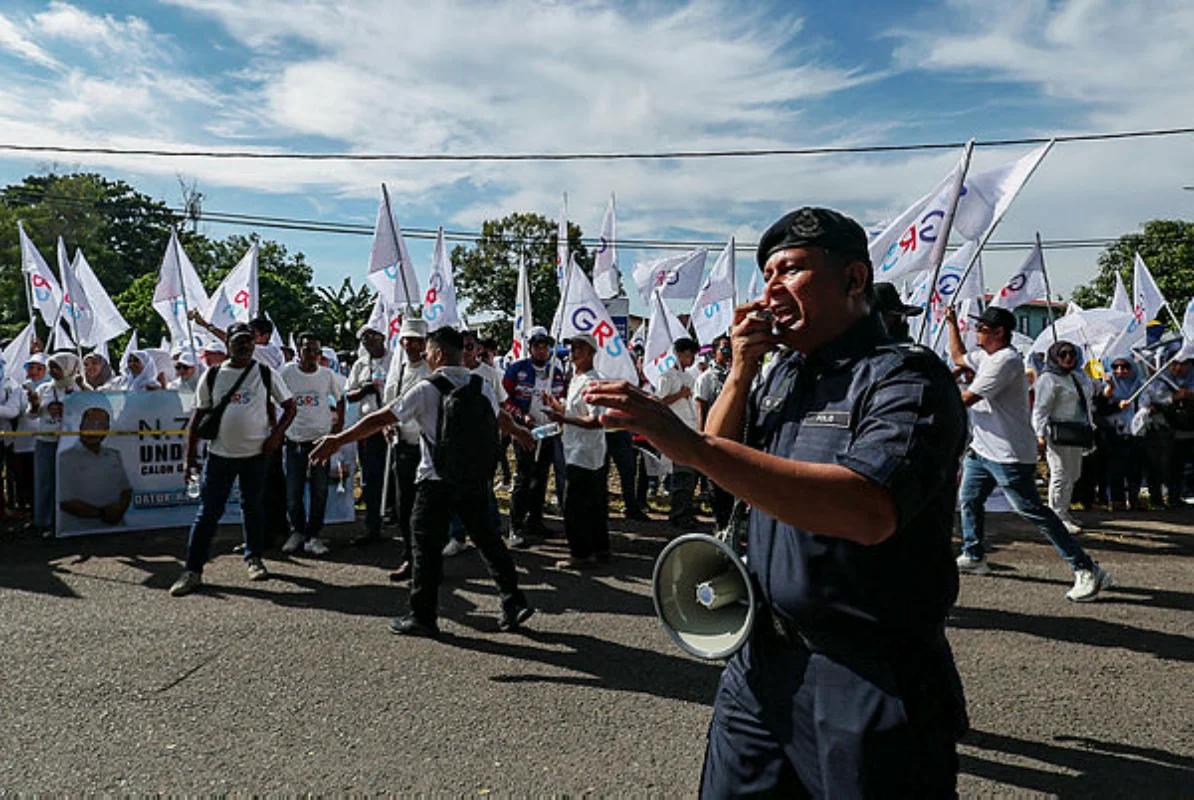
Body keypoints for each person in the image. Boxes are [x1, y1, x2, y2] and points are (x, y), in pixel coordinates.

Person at [584, 207, 969, 796]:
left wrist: (690, 445)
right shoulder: (782, 372)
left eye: (789, 269)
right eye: (766, 275)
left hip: (865, 674)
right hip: (759, 660)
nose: (771, 288)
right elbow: (725, 461)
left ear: (854, 279)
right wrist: (741, 370)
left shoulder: (905, 380)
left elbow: (868, 510)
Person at [311, 327, 534, 638]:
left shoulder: (427, 388)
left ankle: (422, 616)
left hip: (435, 480)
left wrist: (338, 439)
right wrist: (520, 433)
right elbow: (500, 418)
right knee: (489, 541)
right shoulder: (480, 384)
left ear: (439, 354)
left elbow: (380, 419)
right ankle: (514, 601)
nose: (426, 358)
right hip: (473, 479)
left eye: (429, 352)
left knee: (425, 547)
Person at [944, 305, 1110, 601]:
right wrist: (951, 324)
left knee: (1033, 511)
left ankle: (1087, 569)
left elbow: (966, 399)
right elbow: (958, 356)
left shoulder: (1005, 361)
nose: (977, 332)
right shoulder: (987, 356)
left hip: (1008, 453)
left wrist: (932, 390)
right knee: (969, 500)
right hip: (981, 449)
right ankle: (974, 554)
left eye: (981, 328)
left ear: (999, 332)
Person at [170, 322, 296, 596]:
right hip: (220, 456)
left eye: (249, 341)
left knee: (253, 508)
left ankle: (254, 558)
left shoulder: (265, 372)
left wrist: (276, 436)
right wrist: (188, 458)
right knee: (207, 514)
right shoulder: (213, 375)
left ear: (254, 344)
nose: (244, 346)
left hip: (256, 456)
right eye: (239, 341)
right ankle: (192, 570)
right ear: (228, 344)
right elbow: (198, 417)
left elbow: (290, 407)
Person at [545, 334, 609, 568]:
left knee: (575, 505)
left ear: (592, 352)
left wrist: (563, 418)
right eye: (572, 347)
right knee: (591, 503)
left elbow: (596, 419)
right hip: (576, 449)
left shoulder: (594, 381)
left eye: (580, 348)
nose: (574, 351)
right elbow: (574, 411)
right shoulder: (576, 378)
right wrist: (555, 406)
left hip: (585, 452)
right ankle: (599, 549)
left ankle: (581, 553)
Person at [280, 333, 345, 557]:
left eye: (317, 351)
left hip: (320, 441)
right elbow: (274, 398)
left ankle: (313, 536)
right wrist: (277, 427)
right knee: (293, 491)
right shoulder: (286, 373)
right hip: (295, 440)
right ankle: (297, 531)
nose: (313, 355)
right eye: (308, 350)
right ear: (299, 351)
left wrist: (337, 432)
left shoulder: (327, 375)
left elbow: (340, 399)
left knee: (319, 491)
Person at [503, 326, 566, 543]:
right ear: (530, 348)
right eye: (537, 347)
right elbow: (506, 400)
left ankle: (535, 520)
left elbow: (562, 399)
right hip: (524, 432)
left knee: (541, 477)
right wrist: (522, 418)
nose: (542, 351)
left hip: (548, 432)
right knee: (524, 477)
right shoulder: (516, 369)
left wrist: (558, 411)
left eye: (545, 347)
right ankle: (515, 526)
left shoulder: (555, 372)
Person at [382, 318, 431, 577]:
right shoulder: (398, 370)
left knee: (425, 510)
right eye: (407, 340)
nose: (411, 345)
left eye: (416, 340)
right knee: (404, 507)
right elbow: (389, 404)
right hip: (403, 448)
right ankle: (410, 558)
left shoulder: (432, 370)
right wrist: (387, 427)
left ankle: (427, 562)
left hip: (428, 450)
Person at [1030, 340, 1092, 534]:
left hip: (1077, 431)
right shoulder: (1048, 379)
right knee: (1060, 473)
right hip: (1057, 431)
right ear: (1054, 356)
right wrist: (1039, 435)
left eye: (1072, 354)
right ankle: (1057, 515)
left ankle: (1064, 511)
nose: (1067, 358)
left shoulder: (1077, 377)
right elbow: (1041, 409)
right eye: (1062, 354)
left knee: (1074, 474)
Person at [29, 353, 88, 537]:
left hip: (72, 442)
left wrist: (70, 407)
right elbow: (32, 415)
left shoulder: (79, 389)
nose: (53, 371)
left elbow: (91, 410)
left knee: (70, 482)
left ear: (69, 368)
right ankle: (44, 521)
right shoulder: (44, 388)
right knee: (44, 482)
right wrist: (36, 405)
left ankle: (70, 520)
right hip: (46, 440)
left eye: (57, 367)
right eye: (51, 367)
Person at [343, 325, 391, 545]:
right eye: (363, 339)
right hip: (370, 428)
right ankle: (373, 526)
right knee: (371, 477)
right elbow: (349, 395)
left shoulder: (397, 361)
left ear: (382, 336)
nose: (367, 341)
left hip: (394, 426)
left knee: (398, 477)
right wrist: (364, 390)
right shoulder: (361, 365)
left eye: (371, 336)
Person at [57, 405, 133, 531]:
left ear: (107, 430)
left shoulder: (114, 455)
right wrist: (102, 513)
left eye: (100, 425)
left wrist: (119, 510)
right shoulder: (65, 458)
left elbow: (126, 489)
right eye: (89, 424)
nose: (93, 429)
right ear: (80, 426)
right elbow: (65, 501)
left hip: (117, 527)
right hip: (80, 529)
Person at [654, 336, 701, 528]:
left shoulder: (688, 377)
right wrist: (679, 395)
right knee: (681, 475)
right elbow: (659, 403)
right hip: (675, 432)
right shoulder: (667, 376)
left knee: (690, 476)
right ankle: (678, 515)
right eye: (689, 354)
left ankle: (686, 510)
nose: (691, 359)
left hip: (690, 429)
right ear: (680, 354)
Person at [1140, 349, 1194, 508]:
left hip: (1189, 431)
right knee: (1163, 466)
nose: (1178, 369)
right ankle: (1159, 499)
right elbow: (1153, 399)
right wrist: (1172, 398)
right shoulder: (1159, 381)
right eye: (1174, 364)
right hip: (1164, 433)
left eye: (1183, 364)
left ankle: (1176, 498)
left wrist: (1190, 395)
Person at [694, 334, 734, 529]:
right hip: (713, 439)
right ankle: (721, 527)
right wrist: (702, 439)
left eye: (731, 349)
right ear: (714, 352)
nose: (728, 353)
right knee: (716, 490)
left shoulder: (733, 376)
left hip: (733, 442)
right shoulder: (706, 379)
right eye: (725, 349)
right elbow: (701, 410)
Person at [1097, 356, 1145, 510]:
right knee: (1114, 468)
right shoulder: (1105, 386)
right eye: (1115, 367)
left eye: (1125, 367)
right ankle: (1116, 500)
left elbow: (1148, 401)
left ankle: (1134, 497)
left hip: (1136, 431)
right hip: (1113, 431)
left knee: (1135, 467)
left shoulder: (1140, 385)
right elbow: (1101, 407)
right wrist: (1114, 399)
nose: (1120, 371)